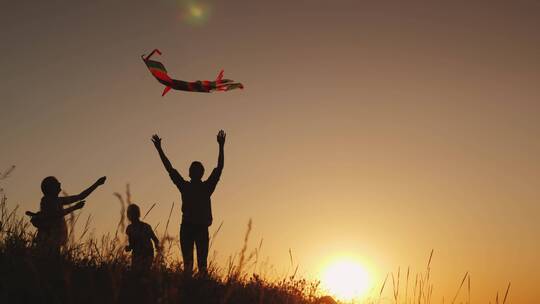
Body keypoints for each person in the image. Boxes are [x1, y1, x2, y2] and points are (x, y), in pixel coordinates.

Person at [151, 130, 225, 275]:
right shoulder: (201, 187)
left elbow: (169, 169)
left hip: (195, 228)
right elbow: (170, 169)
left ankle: (193, 289)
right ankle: (194, 290)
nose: (193, 171)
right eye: (193, 169)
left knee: (195, 265)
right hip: (191, 227)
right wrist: (221, 146)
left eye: (194, 169)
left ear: (193, 173)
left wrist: (159, 149)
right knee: (195, 265)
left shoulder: (195, 187)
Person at [33, 176, 106, 255]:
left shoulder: (57, 200)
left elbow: (80, 196)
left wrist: (96, 184)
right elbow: (56, 214)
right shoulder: (46, 201)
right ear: (51, 188)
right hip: (47, 240)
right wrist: (74, 208)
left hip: (54, 241)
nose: (59, 184)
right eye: (57, 183)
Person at [125, 204, 160, 271]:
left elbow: (155, 239)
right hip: (143, 253)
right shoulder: (145, 226)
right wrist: (157, 247)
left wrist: (128, 248)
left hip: (144, 254)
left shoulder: (131, 228)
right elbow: (156, 240)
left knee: (139, 274)